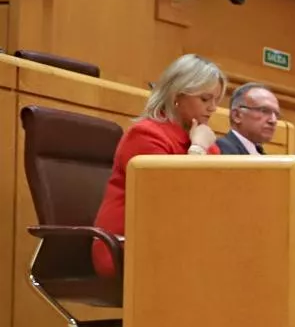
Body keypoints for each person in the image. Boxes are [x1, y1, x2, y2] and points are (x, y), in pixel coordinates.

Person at [92, 54, 226, 278]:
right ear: (177, 96)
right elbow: (171, 200)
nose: (213, 109)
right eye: (205, 99)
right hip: (127, 246)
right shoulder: (145, 135)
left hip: (180, 242)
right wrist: (198, 149)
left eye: (216, 101)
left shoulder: (206, 145)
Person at [215, 83, 280, 155]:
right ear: (237, 115)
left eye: (276, 115)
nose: (273, 121)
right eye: (264, 111)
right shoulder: (221, 150)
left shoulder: (261, 154)